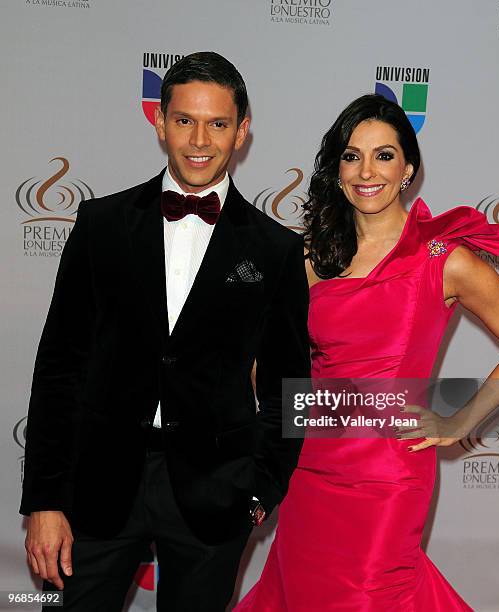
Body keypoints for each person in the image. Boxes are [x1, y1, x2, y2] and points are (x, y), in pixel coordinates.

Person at [20, 51, 310, 611]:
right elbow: (59, 366)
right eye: (184, 120)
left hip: (214, 494)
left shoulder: (275, 250)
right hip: (98, 486)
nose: (200, 139)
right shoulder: (100, 225)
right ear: (159, 121)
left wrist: (258, 493)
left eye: (218, 123)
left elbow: (287, 385)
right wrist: (45, 500)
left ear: (242, 131)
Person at [234, 94, 499, 610]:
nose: (366, 170)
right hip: (310, 463)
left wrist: (458, 422)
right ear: (338, 168)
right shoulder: (309, 256)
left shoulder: (444, 259)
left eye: (384, 155)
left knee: (372, 595)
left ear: (409, 169)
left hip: (389, 473)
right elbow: (252, 329)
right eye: (352, 156)